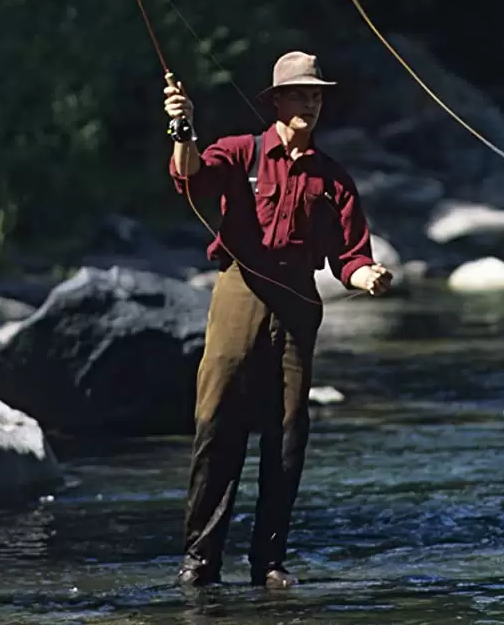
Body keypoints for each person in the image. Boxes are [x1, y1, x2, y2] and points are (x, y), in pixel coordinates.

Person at [165, 50, 392, 588]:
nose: (310, 104)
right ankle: (201, 559)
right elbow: (189, 173)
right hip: (239, 290)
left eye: (316, 96)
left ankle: (268, 562)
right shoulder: (241, 152)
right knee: (217, 422)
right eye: (300, 95)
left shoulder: (333, 179)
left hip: (299, 301)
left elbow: (350, 256)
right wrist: (183, 126)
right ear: (276, 102)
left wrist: (367, 278)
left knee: (288, 432)